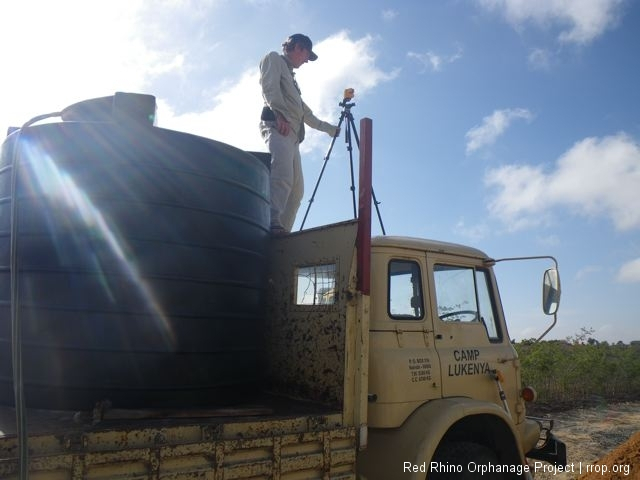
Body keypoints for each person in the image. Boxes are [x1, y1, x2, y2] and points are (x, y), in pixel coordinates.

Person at [259, 33, 339, 235]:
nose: (306, 61)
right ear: (297, 48)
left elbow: (306, 114)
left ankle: (282, 232)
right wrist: (279, 114)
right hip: (279, 127)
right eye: (306, 55)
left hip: (293, 135)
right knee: (283, 175)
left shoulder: (293, 81)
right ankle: (272, 221)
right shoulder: (274, 58)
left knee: (296, 191)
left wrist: (330, 129)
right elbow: (269, 88)